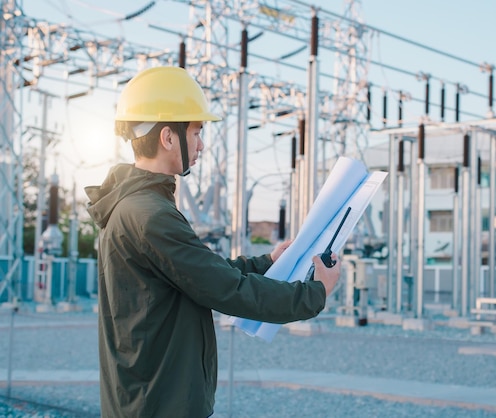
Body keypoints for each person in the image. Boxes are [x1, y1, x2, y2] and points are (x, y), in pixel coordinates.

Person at [85, 66, 341, 418]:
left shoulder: (135, 206)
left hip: (147, 395)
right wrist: (316, 293)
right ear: (168, 137)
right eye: (196, 131)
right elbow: (225, 289)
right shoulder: (151, 215)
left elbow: (201, 272)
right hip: (161, 402)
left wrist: (267, 261)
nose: (201, 144)